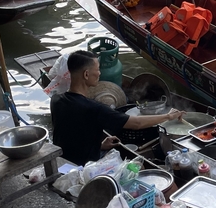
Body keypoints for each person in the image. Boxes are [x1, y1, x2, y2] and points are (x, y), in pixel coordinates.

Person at [50, 50, 184, 166]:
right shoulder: (94, 108)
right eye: (97, 69)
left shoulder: (56, 100)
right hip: (86, 167)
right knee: (139, 166)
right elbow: (136, 123)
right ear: (86, 74)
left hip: (62, 161)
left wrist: (100, 145)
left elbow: (71, 136)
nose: (100, 73)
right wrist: (167, 116)